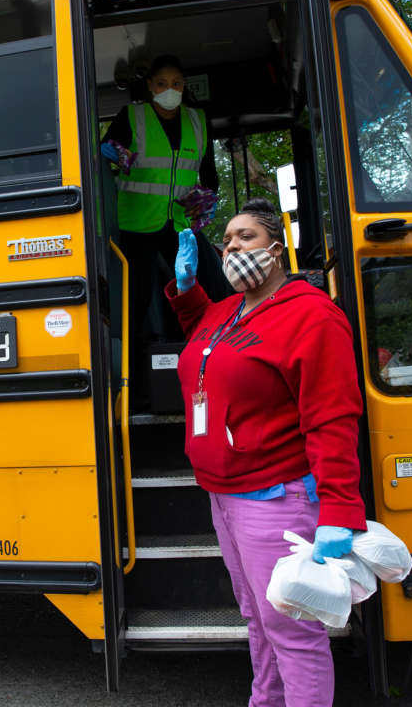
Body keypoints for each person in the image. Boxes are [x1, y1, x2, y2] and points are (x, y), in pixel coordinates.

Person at [167, 198, 367, 707]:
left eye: (245, 237)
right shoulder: (229, 310)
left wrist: (339, 509)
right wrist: (188, 293)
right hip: (226, 496)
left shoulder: (311, 315)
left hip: (275, 498)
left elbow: (332, 417)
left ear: (276, 249)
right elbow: (208, 346)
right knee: (258, 619)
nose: (232, 246)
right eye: (227, 240)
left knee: (293, 631)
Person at [100, 54, 226, 410]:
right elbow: (107, 155)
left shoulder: (199, 120)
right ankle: (137, 387)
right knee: (138, 301)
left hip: (180, 223)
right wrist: (114, 156)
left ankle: (205, 370)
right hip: (136, 224)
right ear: (149, 86)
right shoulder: (133, 116)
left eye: (176, 84)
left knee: (203, 291)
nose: (169, 91)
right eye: (161, 84)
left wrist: (208, 197)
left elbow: (209, 171)